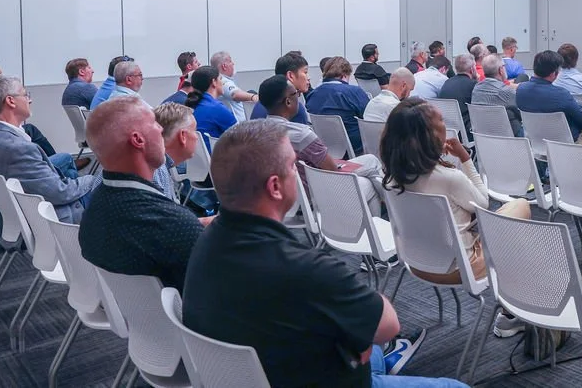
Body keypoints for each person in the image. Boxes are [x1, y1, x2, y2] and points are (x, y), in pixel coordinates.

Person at [183, 120, 459, 387]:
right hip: (327, 377)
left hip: (274, 367)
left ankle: (380, 361)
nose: (297, 172)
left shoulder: (204, 242)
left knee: (361, 334)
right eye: (293, 166)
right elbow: (388, 324)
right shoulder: (306, 268)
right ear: (275, 187)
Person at [381, 99, 530, 338]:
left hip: (417, 263)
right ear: (429, 135)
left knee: (509, 236)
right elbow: (483, 203)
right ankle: (513, 312)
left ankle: (514, 304)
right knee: (520, 208)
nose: (445, 124)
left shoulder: (389, 177)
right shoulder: (448, 178)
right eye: (440, 120)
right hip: (459, 267)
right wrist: (465, 159)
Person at [79, 97, 206, 292]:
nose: (162, 130)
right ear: (138, 140)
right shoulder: (172, 224)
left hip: (133, 317)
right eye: (155, 123)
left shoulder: (94, 208)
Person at [0, 76, 100, 223]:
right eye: (25, 95)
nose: (29, 100)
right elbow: (61, 193)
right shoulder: (20, 149)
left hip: (15, 219)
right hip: (50, 220)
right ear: (10, 101)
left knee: (67, 165)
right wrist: (93, 179)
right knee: (109, 185)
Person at [260, 76, 383, 213]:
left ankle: (391, 206)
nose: (299, 96)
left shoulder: (259, 132)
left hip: (286, 198)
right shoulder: (301, 135)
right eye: (297, 93)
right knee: (368, 182)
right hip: (317, 198)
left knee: (370, 160)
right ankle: (391, 208)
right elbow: (333, 171)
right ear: (288, 101)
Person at [156, 101, 217, 212]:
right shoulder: (159, 172)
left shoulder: (161, 167)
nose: (197, 137)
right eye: (194, 131)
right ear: (183, 136)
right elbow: (168, 224)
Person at [516, 50, 582, 141]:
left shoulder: (521, 90)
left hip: (534, 142)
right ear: (554, 74)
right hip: (564, 144)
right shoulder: (561, 94)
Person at [306, 57, 370, 156]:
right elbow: (368, 118)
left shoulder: (312, 95)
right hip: (355, 150)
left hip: (324, 151)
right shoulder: (354, 92)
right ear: (344, 75)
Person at [251, 52, 312, 124]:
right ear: (290, 75)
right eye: (305, 72)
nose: (309, 78)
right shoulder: (294, 108)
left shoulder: (264, 102)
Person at [471, 55, 523, 137]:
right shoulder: (505, 91)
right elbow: (521, 110)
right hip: (508, 138)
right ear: (501, 70)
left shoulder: (476, 89)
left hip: (483, 138)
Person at [185, 66, 237, 139]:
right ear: (214, 82)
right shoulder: (217, 108)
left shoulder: (191, 106)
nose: (223, 83)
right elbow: (240, 137)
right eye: (221, 79)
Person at [209, 51, 257, 123]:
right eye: (230, 61)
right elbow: (234, 94)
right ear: (224, 66)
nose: (233, 64)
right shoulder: (223, 81)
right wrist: (254, 97)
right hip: (236, 128)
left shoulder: (219, 80)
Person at [437, 55, 477, 140]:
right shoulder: (473, 85)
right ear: (472, 69)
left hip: (447, 132)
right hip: (466, 133)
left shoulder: (446, 83)